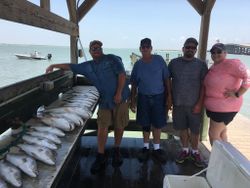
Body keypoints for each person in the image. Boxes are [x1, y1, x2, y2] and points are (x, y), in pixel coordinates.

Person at [46, 40, 130, 174]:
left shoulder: (112, 59)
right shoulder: (87, 66)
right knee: (102, 127)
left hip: (120, 98)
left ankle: (116, 149)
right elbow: (70, 66)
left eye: (98, 47)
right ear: (90, 51)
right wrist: (53, 65)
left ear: (102, 49)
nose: (96, 49)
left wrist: (119, 93)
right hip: (104, 100)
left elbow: (122, 75)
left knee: (119, 125)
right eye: (93, 48)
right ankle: (100, 155)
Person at [130, 38, 171, 163]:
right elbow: (134, 83)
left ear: (151, 48)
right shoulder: (137, 64)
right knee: (145, 123)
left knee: (158, 124)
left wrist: (169, 96)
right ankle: (146, 147)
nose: (145, 48)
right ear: (140, 49)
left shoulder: (159, 60)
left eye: (147, 46)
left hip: (159, 97)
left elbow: (167, 79)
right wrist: (132, 100)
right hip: (143, 97)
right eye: (143, 47)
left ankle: (157, 148)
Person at [168, 37, 208, 168]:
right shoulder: (173, 63)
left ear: (195, 50)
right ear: (183, 48)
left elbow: (204, 85)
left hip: (194, 104)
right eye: (188, 47)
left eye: (193, 48)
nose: (190, 49)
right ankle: (185, 150)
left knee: (195, 130)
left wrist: (199, 104)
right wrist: (169, 98)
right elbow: (168, 81)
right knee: (182, 129)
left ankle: (195, 152)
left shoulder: (201, 64)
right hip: (178, 103)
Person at [204, 43, 250, 145]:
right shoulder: (215, 65)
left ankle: (216, 160)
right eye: (213, 52)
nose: (215, 54)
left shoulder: (232, 64)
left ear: (225, 53)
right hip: (215, 108)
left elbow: (248, 76)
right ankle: (225, 159)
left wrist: (238, 94)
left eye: (219, 52)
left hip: (225, 108)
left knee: (213, 134)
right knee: (222, 133)